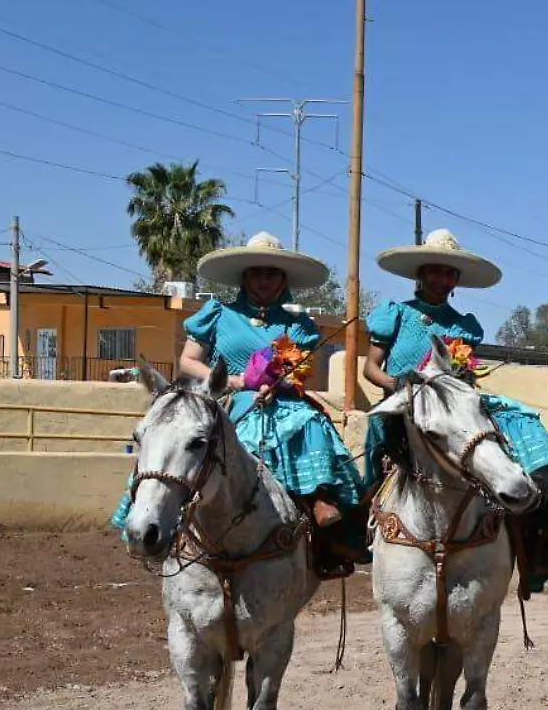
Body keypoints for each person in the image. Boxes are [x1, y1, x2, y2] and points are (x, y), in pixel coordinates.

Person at [110, 233, 365, 578]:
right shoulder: (217, 314)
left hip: (282, 400)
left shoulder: (299, 325)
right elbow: (188, 362)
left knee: (309, 422)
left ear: (283, 280)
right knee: (183, 440)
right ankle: (154, 514)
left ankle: (320, 518)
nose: (264, 280)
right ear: (244, 277)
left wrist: (278, 384)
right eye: (256, 273)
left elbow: (304, 374)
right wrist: (238, 382)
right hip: (228, 398)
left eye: (272, 274)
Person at [362, 230, 548, 576]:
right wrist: (399, 386)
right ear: (421, 274)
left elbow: (463, 376)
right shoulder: (395, 314)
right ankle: (358, 530)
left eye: (450, 273)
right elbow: (370, 368)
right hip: (405, 408)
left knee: (515, 422)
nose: (442, 279)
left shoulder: (464, 325)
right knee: (373, 456)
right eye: (435, 271)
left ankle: (529, 522)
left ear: (456, 280)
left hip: (453, 408)